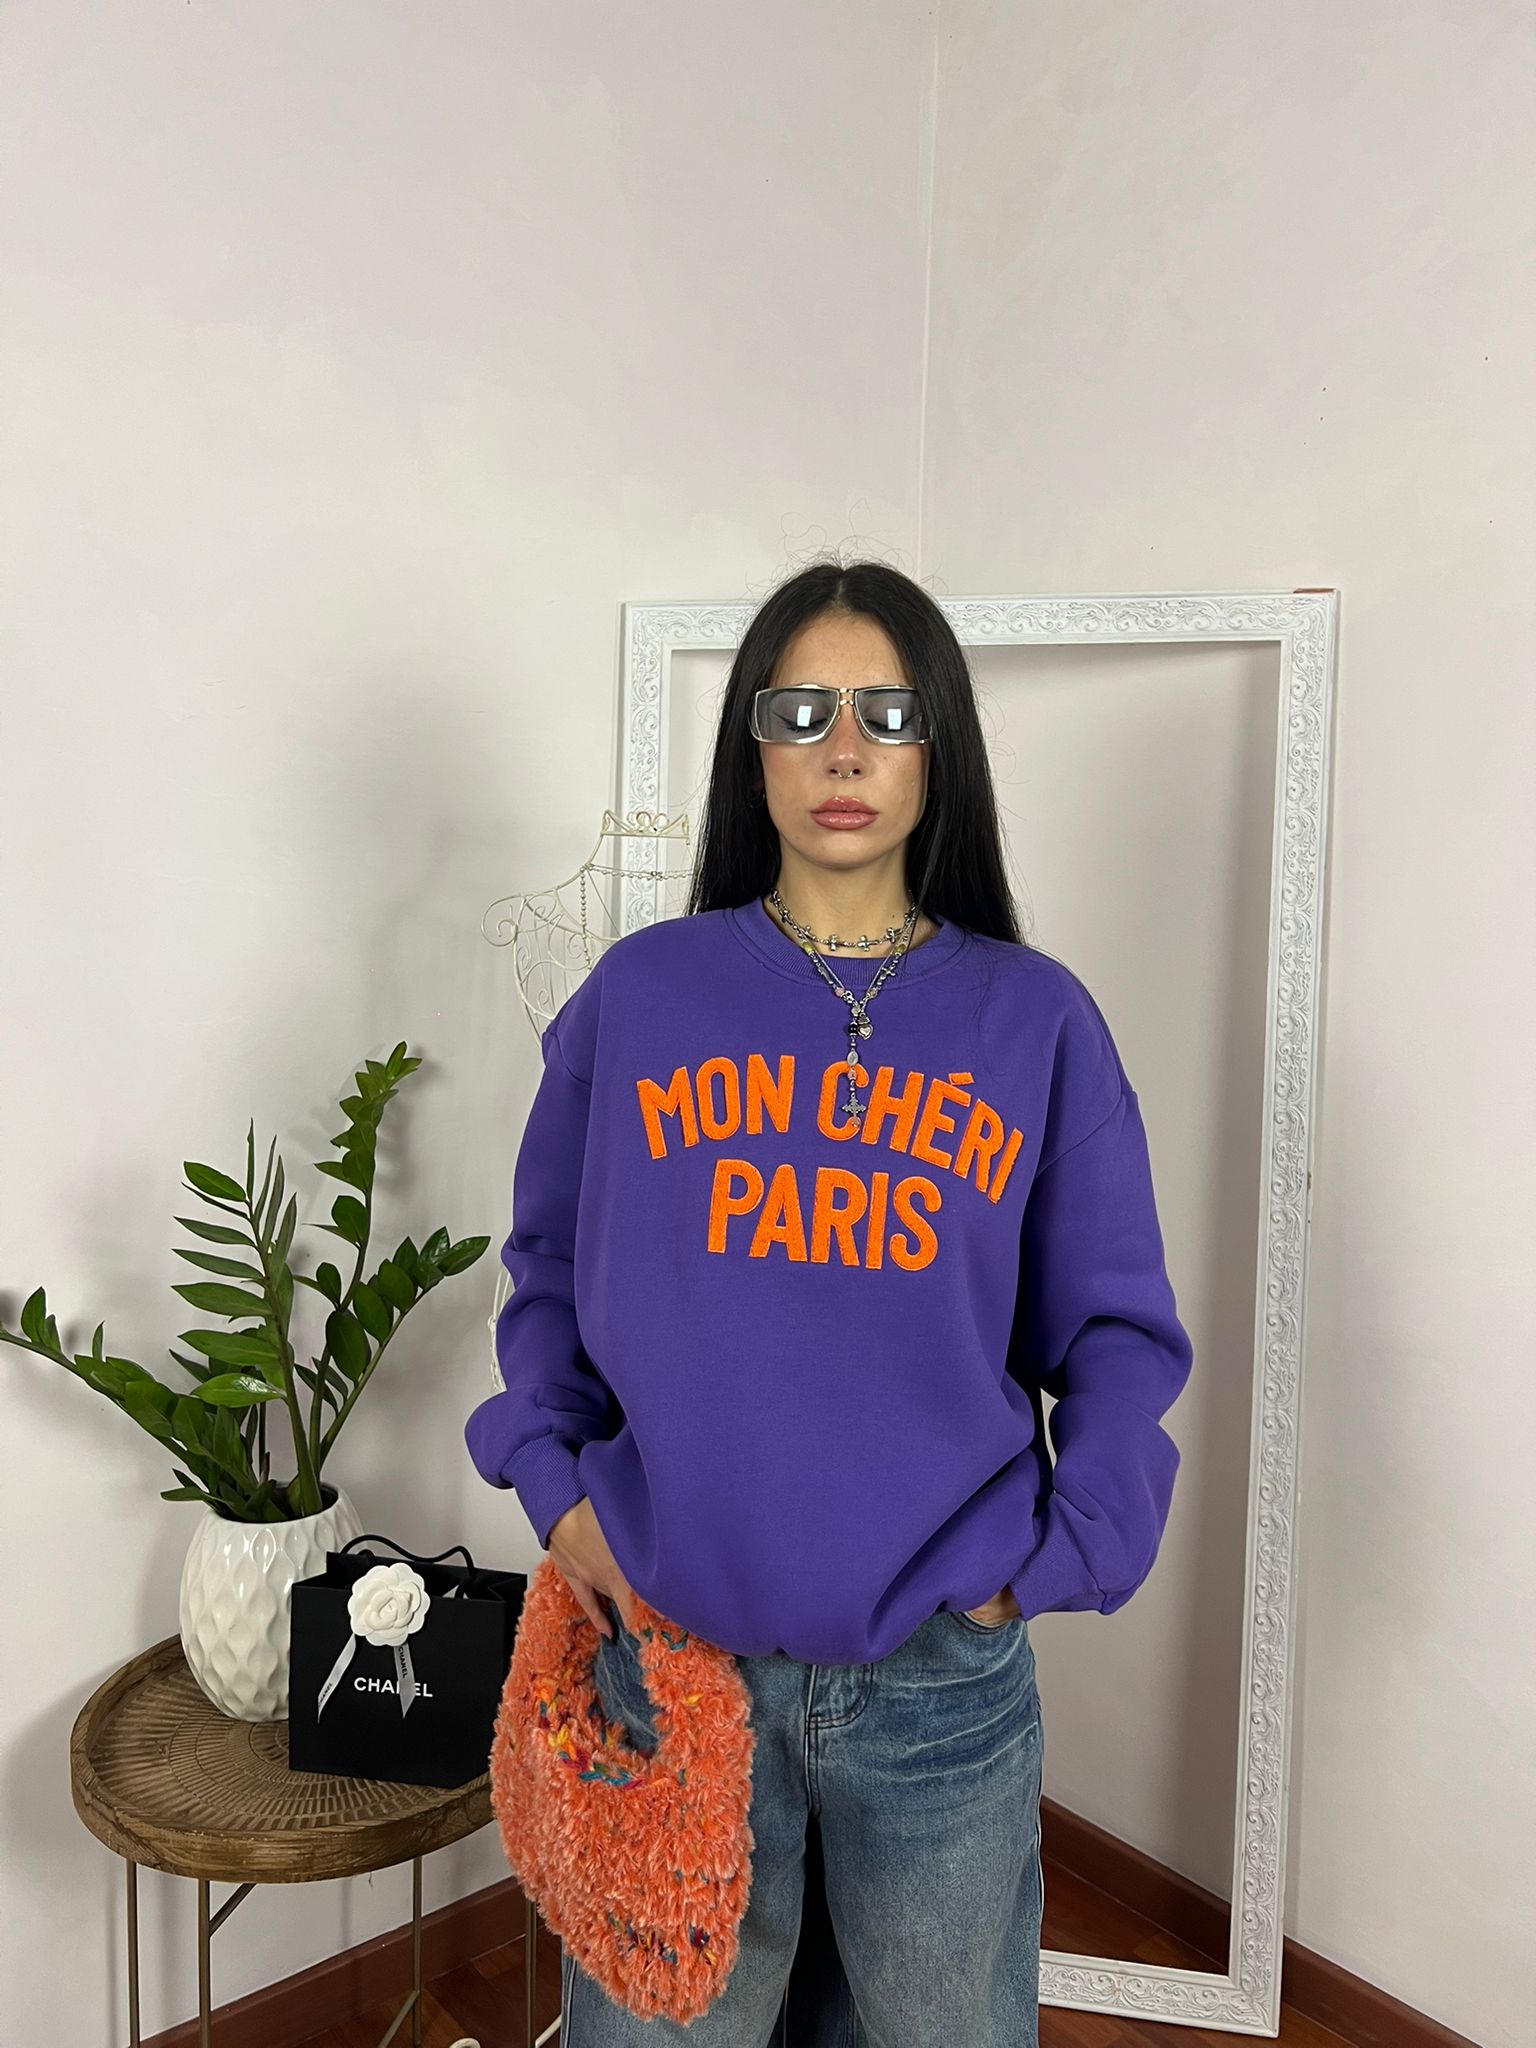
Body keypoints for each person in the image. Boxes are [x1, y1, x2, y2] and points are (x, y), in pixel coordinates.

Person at [465, 558, 1195, 2046]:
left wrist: (1058, 1556)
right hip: (673, 1659)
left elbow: (1116, 1331)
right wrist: (557, 1490)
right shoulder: (643, 998)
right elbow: (549, 1265)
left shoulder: (1034, 1020)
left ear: (939, 749)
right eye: (800, 712)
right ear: (754, 748)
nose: (844, 749)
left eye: (886, 712)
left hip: (937, 1686)